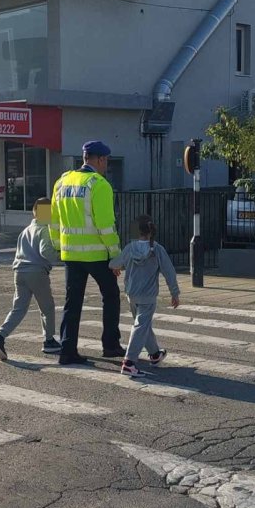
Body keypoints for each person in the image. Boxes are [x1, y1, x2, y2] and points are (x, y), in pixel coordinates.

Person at [50, 140, 125, 366]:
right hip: (96, 255)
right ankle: (110, 345)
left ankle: (67, 349)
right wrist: (116, 255)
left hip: (71, 254)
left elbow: (52, 220)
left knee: (72, 303)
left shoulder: (61, 182)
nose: (106, 166)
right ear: (100, 159)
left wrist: (57, 246)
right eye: (106, 161)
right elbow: (106, 226)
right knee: (111, 297)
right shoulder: (98, 184)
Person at [0, 197, 61, 361]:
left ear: (34, 211)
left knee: (18, 308)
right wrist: (61, 254)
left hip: (19, 271)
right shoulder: (45, 230)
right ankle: (49, 341)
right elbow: (46, 252)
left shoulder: (26, 230)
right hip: (36, 271)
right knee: (47, 308)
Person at [110, 216, 181, 378]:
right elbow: (169, 272)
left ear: (137, 231)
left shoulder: (130, 248)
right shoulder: (157, 249)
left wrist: (117, 267)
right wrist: (174, 293)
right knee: (141, 326)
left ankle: (155, 354)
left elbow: (114, 263)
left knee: (142, 325)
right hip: (148, 296)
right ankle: (129, 362)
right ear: (151, 232)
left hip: (132, 294)